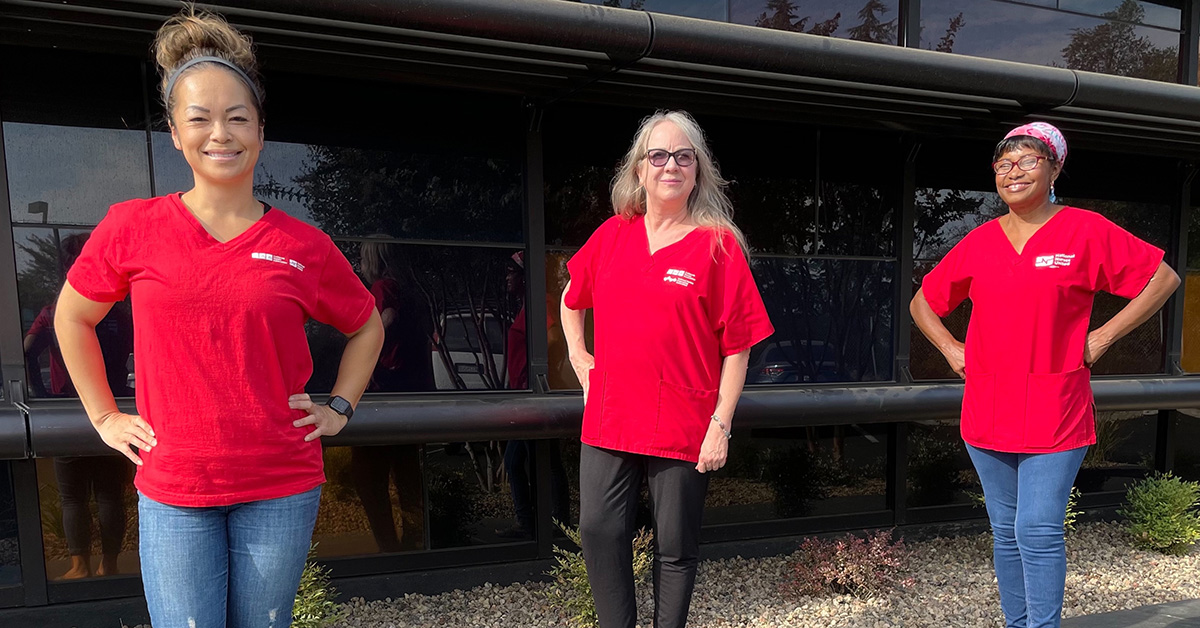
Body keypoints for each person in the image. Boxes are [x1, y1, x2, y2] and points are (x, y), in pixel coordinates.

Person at [53, 7, 383, 628]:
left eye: (237, 118)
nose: (220, 134)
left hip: (279, 482)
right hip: (175, 484)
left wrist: (339, 407)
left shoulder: (303, 244)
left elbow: (366, 325)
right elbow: (72, 318)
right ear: (175, 134)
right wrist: (103, 416)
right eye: (199, 119)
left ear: (261, 131)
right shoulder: (133, 226)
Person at [910, 122, 1179, 628]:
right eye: (1004, 163)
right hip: (987, 408)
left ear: (1054, 167)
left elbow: (1162, 278)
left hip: (1056, 407)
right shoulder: (980, 241)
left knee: (1037, 529)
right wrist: (951, 349)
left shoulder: (1085, 229)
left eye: (1028, 160)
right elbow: (923, 301)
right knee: (1005, 532)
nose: (1014, 171)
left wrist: (1101, 337)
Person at [561, 110, 773, 628]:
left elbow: (738, 347)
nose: (670, 165)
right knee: (598, 529)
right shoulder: (612, 235)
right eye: (658, 155)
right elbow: (571, 298)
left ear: (697, 170)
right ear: (639, 169)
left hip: (685, 422)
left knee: (675, 547)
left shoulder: (718, 246)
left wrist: (721, 424)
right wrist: (579, 356)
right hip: (610, 417)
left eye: (684, 156)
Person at [24, 233, 132, 579]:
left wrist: (39, 391)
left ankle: (79, 567)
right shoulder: (119, 312)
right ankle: (110, 566)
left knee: (73, 498)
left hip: (67, 409)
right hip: (116, 409)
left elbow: (26, 352)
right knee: (110, 494)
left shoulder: (54, 311)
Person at [350, 238, 429, 553]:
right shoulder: (414, 292)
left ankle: (387, 547)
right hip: (413, 393)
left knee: (368, 479)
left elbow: (387, 318)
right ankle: (413, 543)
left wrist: (363, 359)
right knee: (408, 475)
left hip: (385, 393)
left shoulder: (384, 287)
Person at [498, 251, 570, 539]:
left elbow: (553, 337)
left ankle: (555, 525)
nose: (507, 278)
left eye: (511, 273)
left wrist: (540, 370)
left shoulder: (542, 303)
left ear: (525, 277)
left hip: (535, 394)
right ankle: (538, 524)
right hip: (525, 394)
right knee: (522, 461)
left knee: (542, 460)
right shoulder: (530, 305)